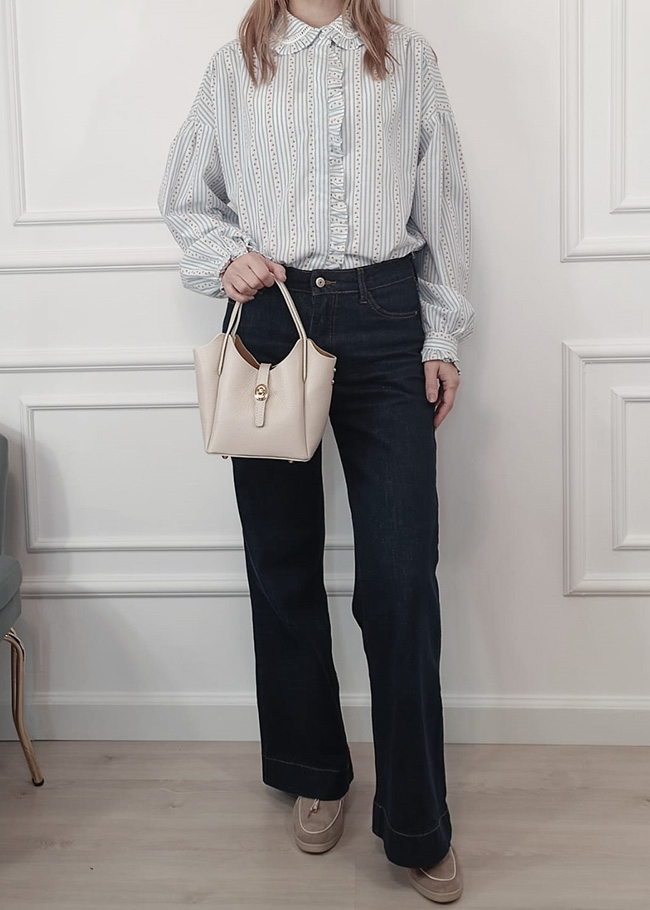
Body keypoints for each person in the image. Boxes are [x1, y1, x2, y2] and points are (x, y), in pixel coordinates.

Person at [158, 0, 474, 902]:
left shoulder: (409, 58)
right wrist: (227, 257)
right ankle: (314, 770)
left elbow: (444, 202)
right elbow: (186, 196)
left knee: (401, 579)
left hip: (386, 318)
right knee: (282, 563)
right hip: (274, 316)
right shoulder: (237, 63)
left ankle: (417, 819)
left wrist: (442, 335)